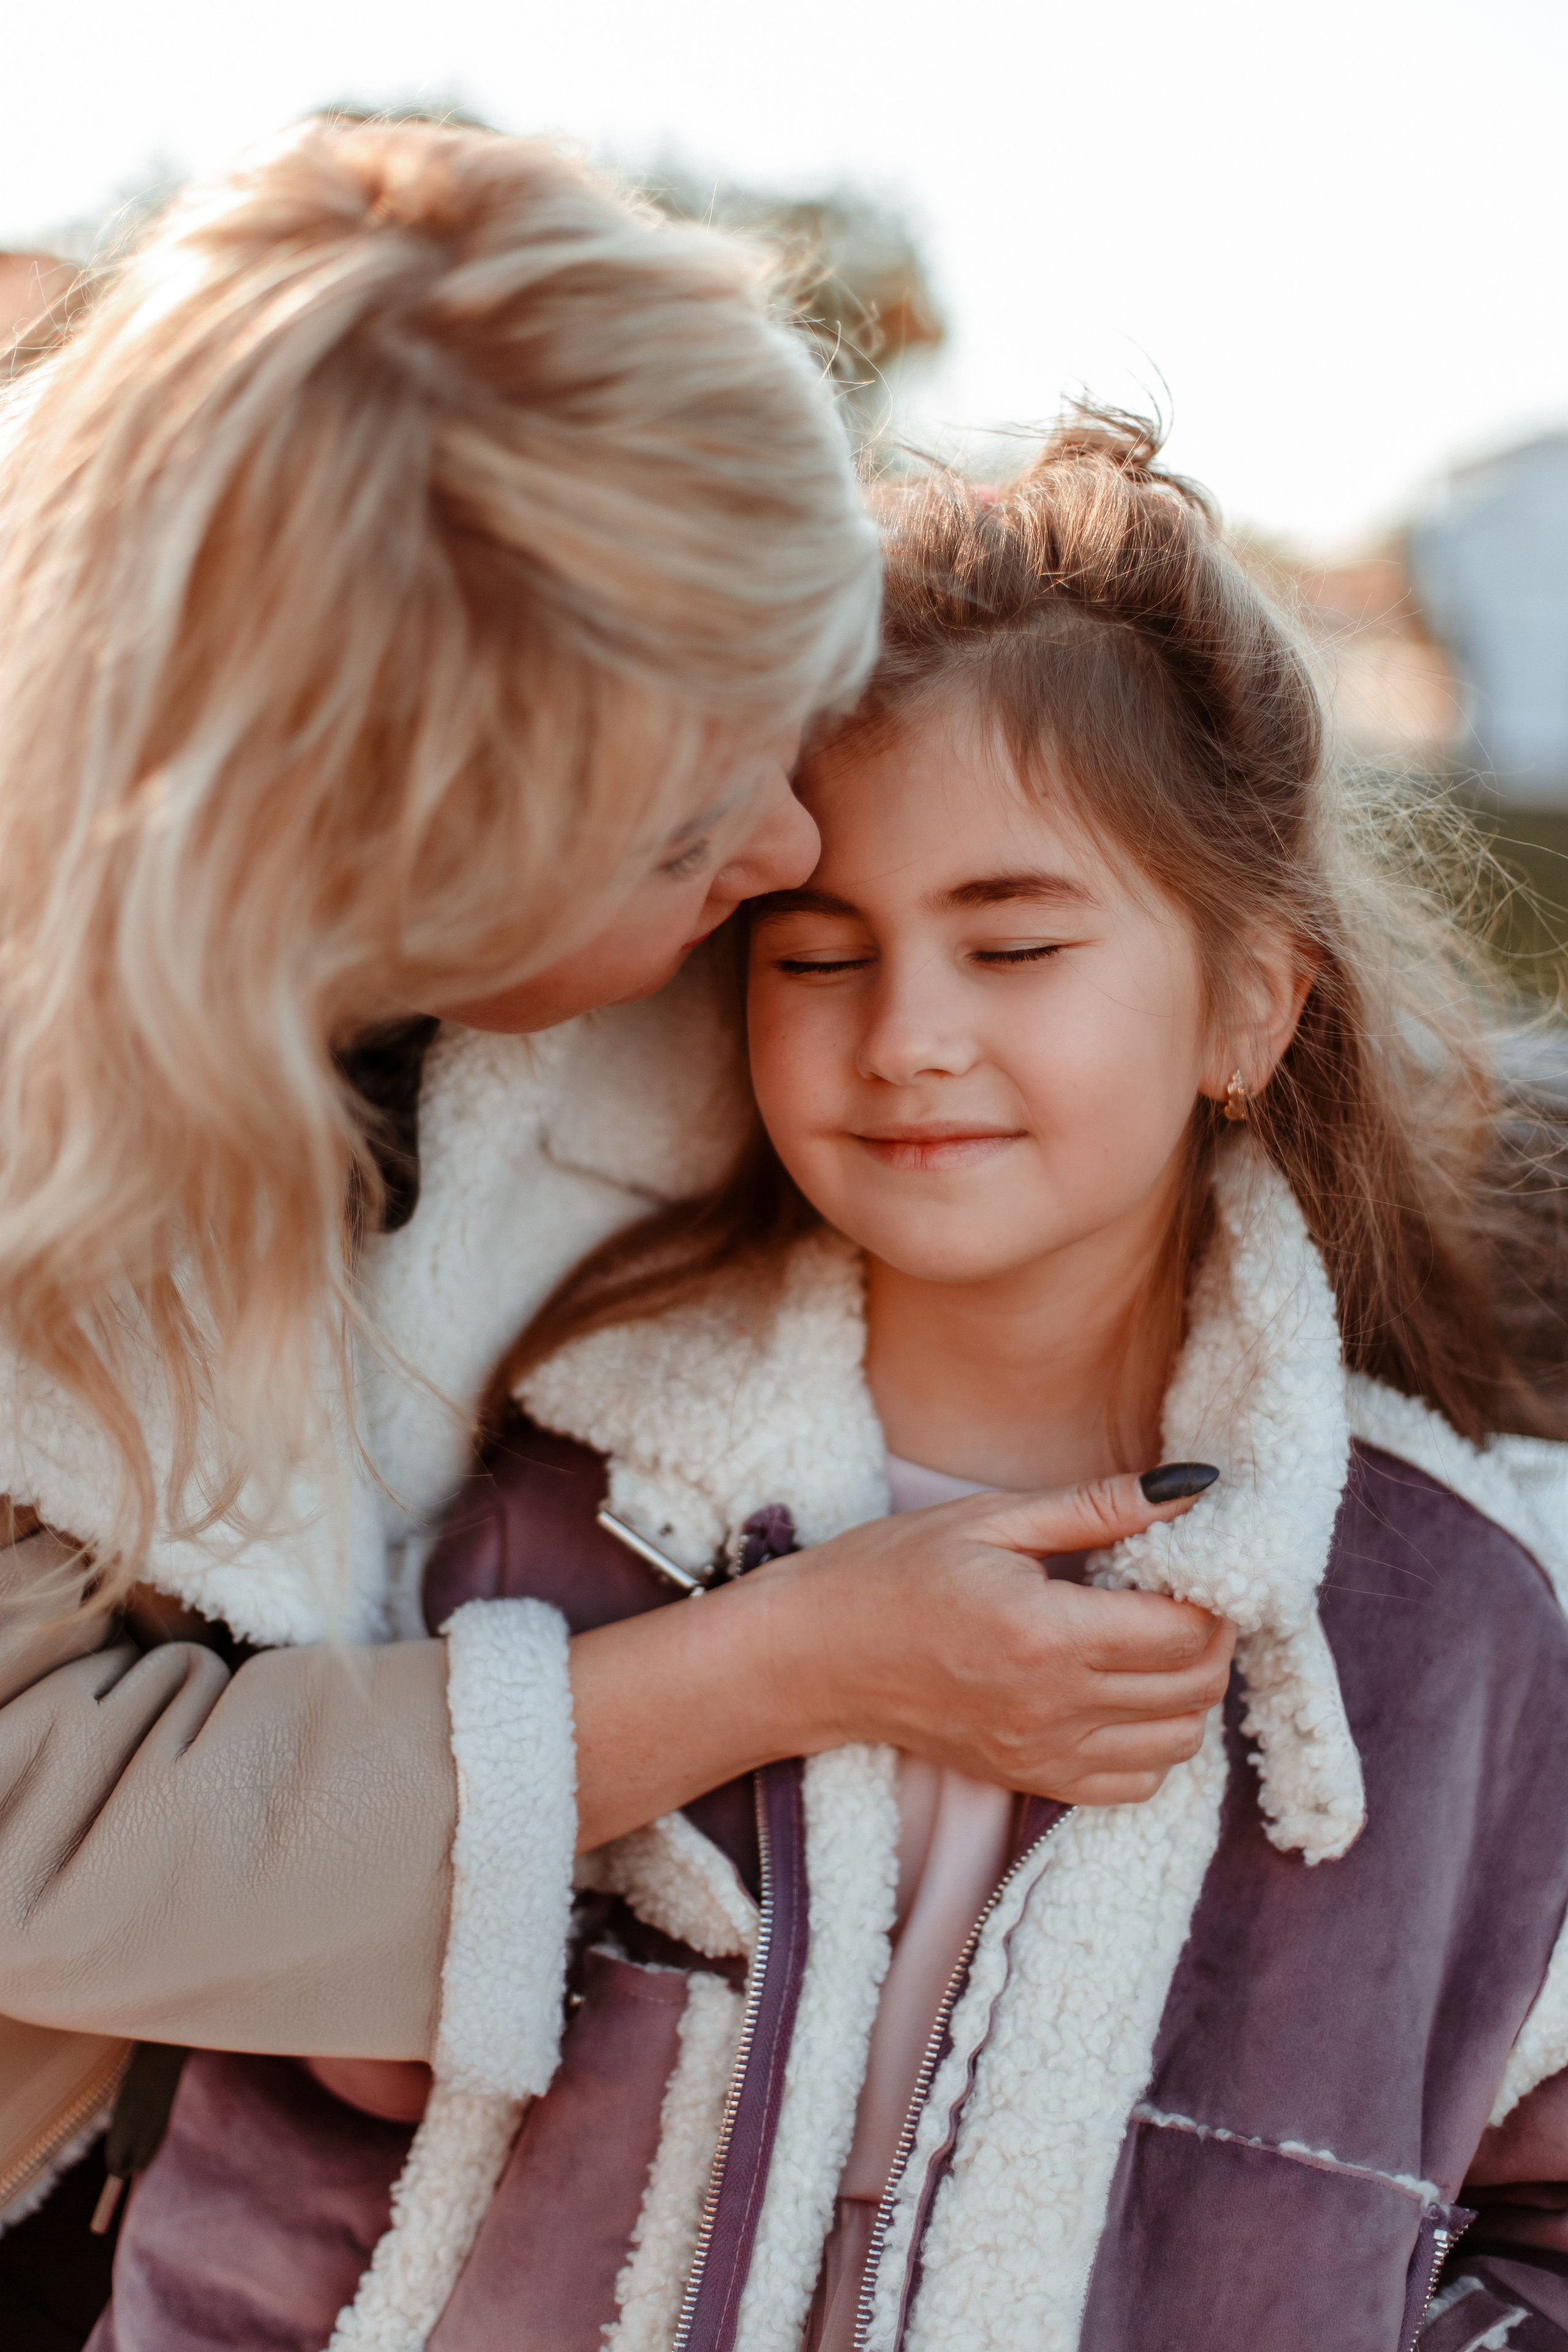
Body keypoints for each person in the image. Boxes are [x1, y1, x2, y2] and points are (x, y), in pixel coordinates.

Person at [102, 412, 1568, 2350]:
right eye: (820, 955)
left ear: (1244, 1002)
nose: (908, 1038)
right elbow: (272, 2207)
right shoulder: (570, 1515)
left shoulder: (1451, 1622)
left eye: (1016, 941)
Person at [0, 121, 1232, 2329]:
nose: (783, 846)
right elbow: (34, 1827)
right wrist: (780, 1664)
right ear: (389, 854)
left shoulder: (671, 947)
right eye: (686, 831)